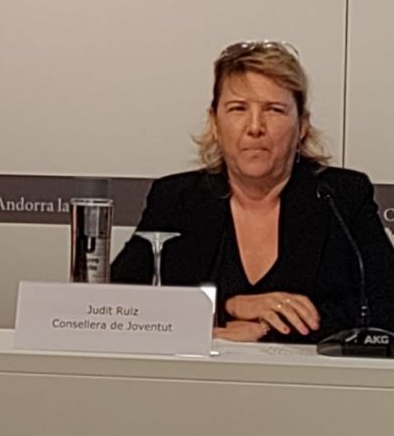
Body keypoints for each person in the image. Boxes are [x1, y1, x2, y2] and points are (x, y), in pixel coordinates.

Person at [111, 41, 394, 343]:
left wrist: (266, 329)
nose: (255, 127)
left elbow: (386, 306)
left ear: (302, 126)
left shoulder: (341, 196)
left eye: (274, 110)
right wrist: (228, 305)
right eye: (238, 109)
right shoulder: (176, 198)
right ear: (215, 123)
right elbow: (117, 305)